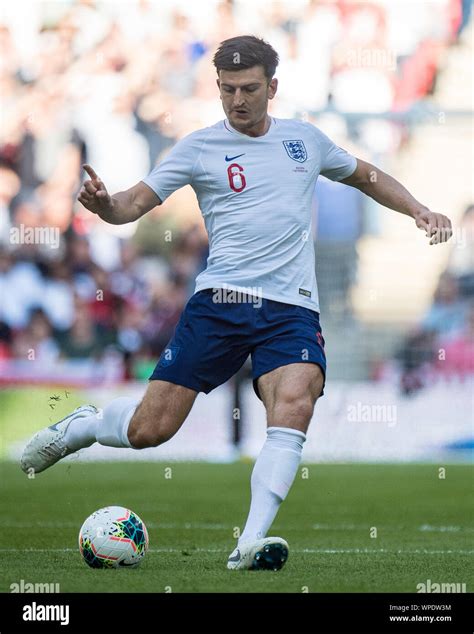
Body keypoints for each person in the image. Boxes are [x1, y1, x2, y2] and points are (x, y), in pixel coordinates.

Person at [21, 35, 452, 571]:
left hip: (291, 308)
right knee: (149, 430)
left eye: (249, 89)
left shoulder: (305, 141)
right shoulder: (198, 148)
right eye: (227, 90)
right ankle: (84, 425)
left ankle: (249, 542)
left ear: (273, 87)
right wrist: (105, 206)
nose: (237, 100)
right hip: (220, 302)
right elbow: (132, 203)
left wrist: (418, 209)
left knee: (296, 400)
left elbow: (364, 174)